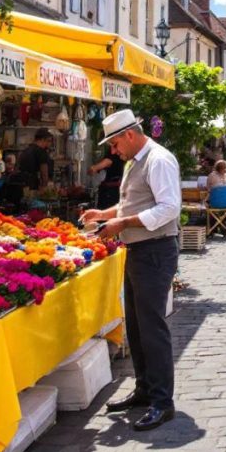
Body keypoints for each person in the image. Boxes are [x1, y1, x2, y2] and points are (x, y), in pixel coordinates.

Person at [81, 110, 181, 431]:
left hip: (155, 250)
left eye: (113, 143)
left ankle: (162, 402)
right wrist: (105, 213)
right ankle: (144, 390)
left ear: (129, 135)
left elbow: (168, 209)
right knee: (136, 327)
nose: (113, 150)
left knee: (152, 328)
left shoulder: (158, 160)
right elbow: (133, 205)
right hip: (139, 250)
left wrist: (121, 222)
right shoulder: (135, 161)